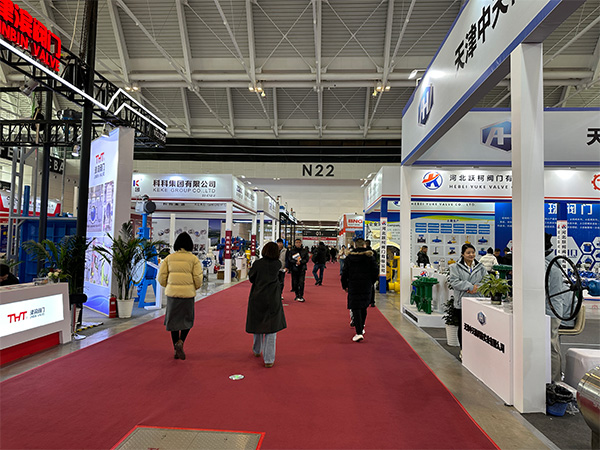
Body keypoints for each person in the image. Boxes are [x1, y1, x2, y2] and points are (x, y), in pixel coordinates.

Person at [158, 232, 203, 360]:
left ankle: (175, 348)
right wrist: (194, 287)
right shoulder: (194, 259)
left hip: (172, 295)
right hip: (187, 295)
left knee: (173, 322)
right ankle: (181, 341)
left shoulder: (169, 258)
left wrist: (168, 286)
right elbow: (198, 278)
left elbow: (161, 277)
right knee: (187, 320)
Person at [246, 242, 287, 368]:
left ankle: (257, 350)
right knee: (271, 328)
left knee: (257, 324)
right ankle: (269, 359)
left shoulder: (257, 263)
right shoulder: (277, 264)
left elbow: (251, 278)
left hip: (257, 296)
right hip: (273, 298)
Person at [448, 243, 487, 348]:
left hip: (477, 301)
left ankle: (474, 351)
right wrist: (470, 287)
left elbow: (487, 281)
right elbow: (454, 282)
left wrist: (477, 288)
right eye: (468, 253)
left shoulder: (481, 267)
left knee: (477, 328)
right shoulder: (455, 267)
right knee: (463, 327)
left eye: (473, 252)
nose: (471, 255)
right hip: (462, 302)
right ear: (462, 254)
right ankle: (463, 350)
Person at [341, 239, 379, 342]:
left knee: (355, 307)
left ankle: (359, 332)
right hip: (366, 285)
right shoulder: (370, 257)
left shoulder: (349, 258)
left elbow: (344, 273)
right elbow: (375, 271)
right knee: (363, 306)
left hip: (353, 285)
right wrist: (371, 282)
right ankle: (361, 327)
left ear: (355, 246)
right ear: (364, 245)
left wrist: (344, 285)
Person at [545, 233, 569, 383]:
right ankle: (554, 378)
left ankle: (555, 381)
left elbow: (541, 289)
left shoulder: (547, 264)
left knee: (551, 345)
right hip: (553, 309)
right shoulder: (553, 261)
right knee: (552, 344)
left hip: (550, 310)